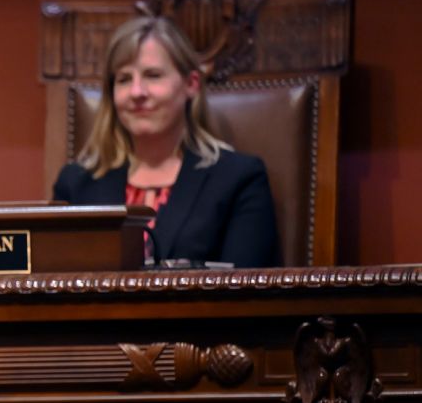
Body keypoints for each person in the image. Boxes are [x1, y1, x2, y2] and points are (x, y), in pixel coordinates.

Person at [52, 17, 280, 268]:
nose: (137, 92)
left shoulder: (239, 179)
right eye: (124, 79)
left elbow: (251, 291)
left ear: (191, 84)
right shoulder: (75, 184)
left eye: (153, 75)